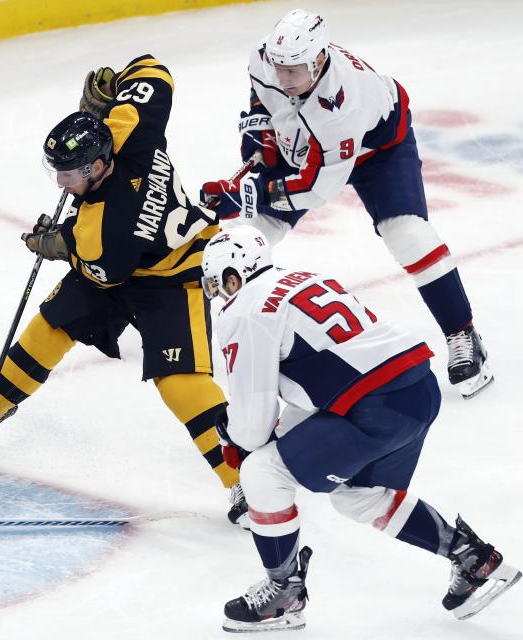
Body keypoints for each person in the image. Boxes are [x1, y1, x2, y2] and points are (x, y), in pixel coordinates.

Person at [0, 55, 248, 526]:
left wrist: (58, 244)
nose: (60, 182)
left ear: (96, 166)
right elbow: (153, 71)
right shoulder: (129, 124)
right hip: (126, 257)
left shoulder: (100, 229)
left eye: (68, 175)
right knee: (50, 326)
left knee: (181, 382)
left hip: (172, 274)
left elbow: (101, 270)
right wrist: (110, 93)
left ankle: (246, 481)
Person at [201, 225, 518, 632]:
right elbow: (311, 391)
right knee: (360, 497)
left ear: (233, 276)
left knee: (262, 471)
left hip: (376, 404)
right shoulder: (301, 279)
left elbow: (251, 427)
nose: (216, 296)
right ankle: (473, 557)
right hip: (417, 386)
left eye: (216, 284)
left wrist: (232, 435)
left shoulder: (244, 310)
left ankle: (284, 593)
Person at [201, 8, 492, 399]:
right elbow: (262, 99)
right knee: (251, 237)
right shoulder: (268, 57)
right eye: (278, 68)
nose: (283, 79)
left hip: (376, 151)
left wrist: (251, 192)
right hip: (310, 140)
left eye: (294, 71)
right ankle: (203, 325)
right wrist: (261, 140)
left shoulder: (345, 101)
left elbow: (316, 188)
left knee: (407, 234)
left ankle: (463, 332)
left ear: (320, 60)